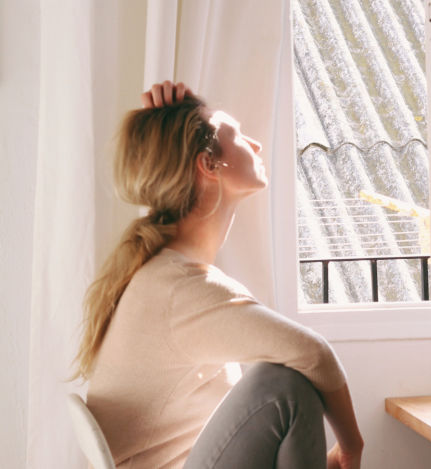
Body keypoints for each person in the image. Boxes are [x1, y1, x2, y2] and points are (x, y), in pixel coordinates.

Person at [73, 81, 363, 468]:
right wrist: (351, 448)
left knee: (282, 378)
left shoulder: (167, 275)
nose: (256, 145)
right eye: (239, 136)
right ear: (208, 165)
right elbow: (315, 354)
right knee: (283, 385)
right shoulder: (179, 290)